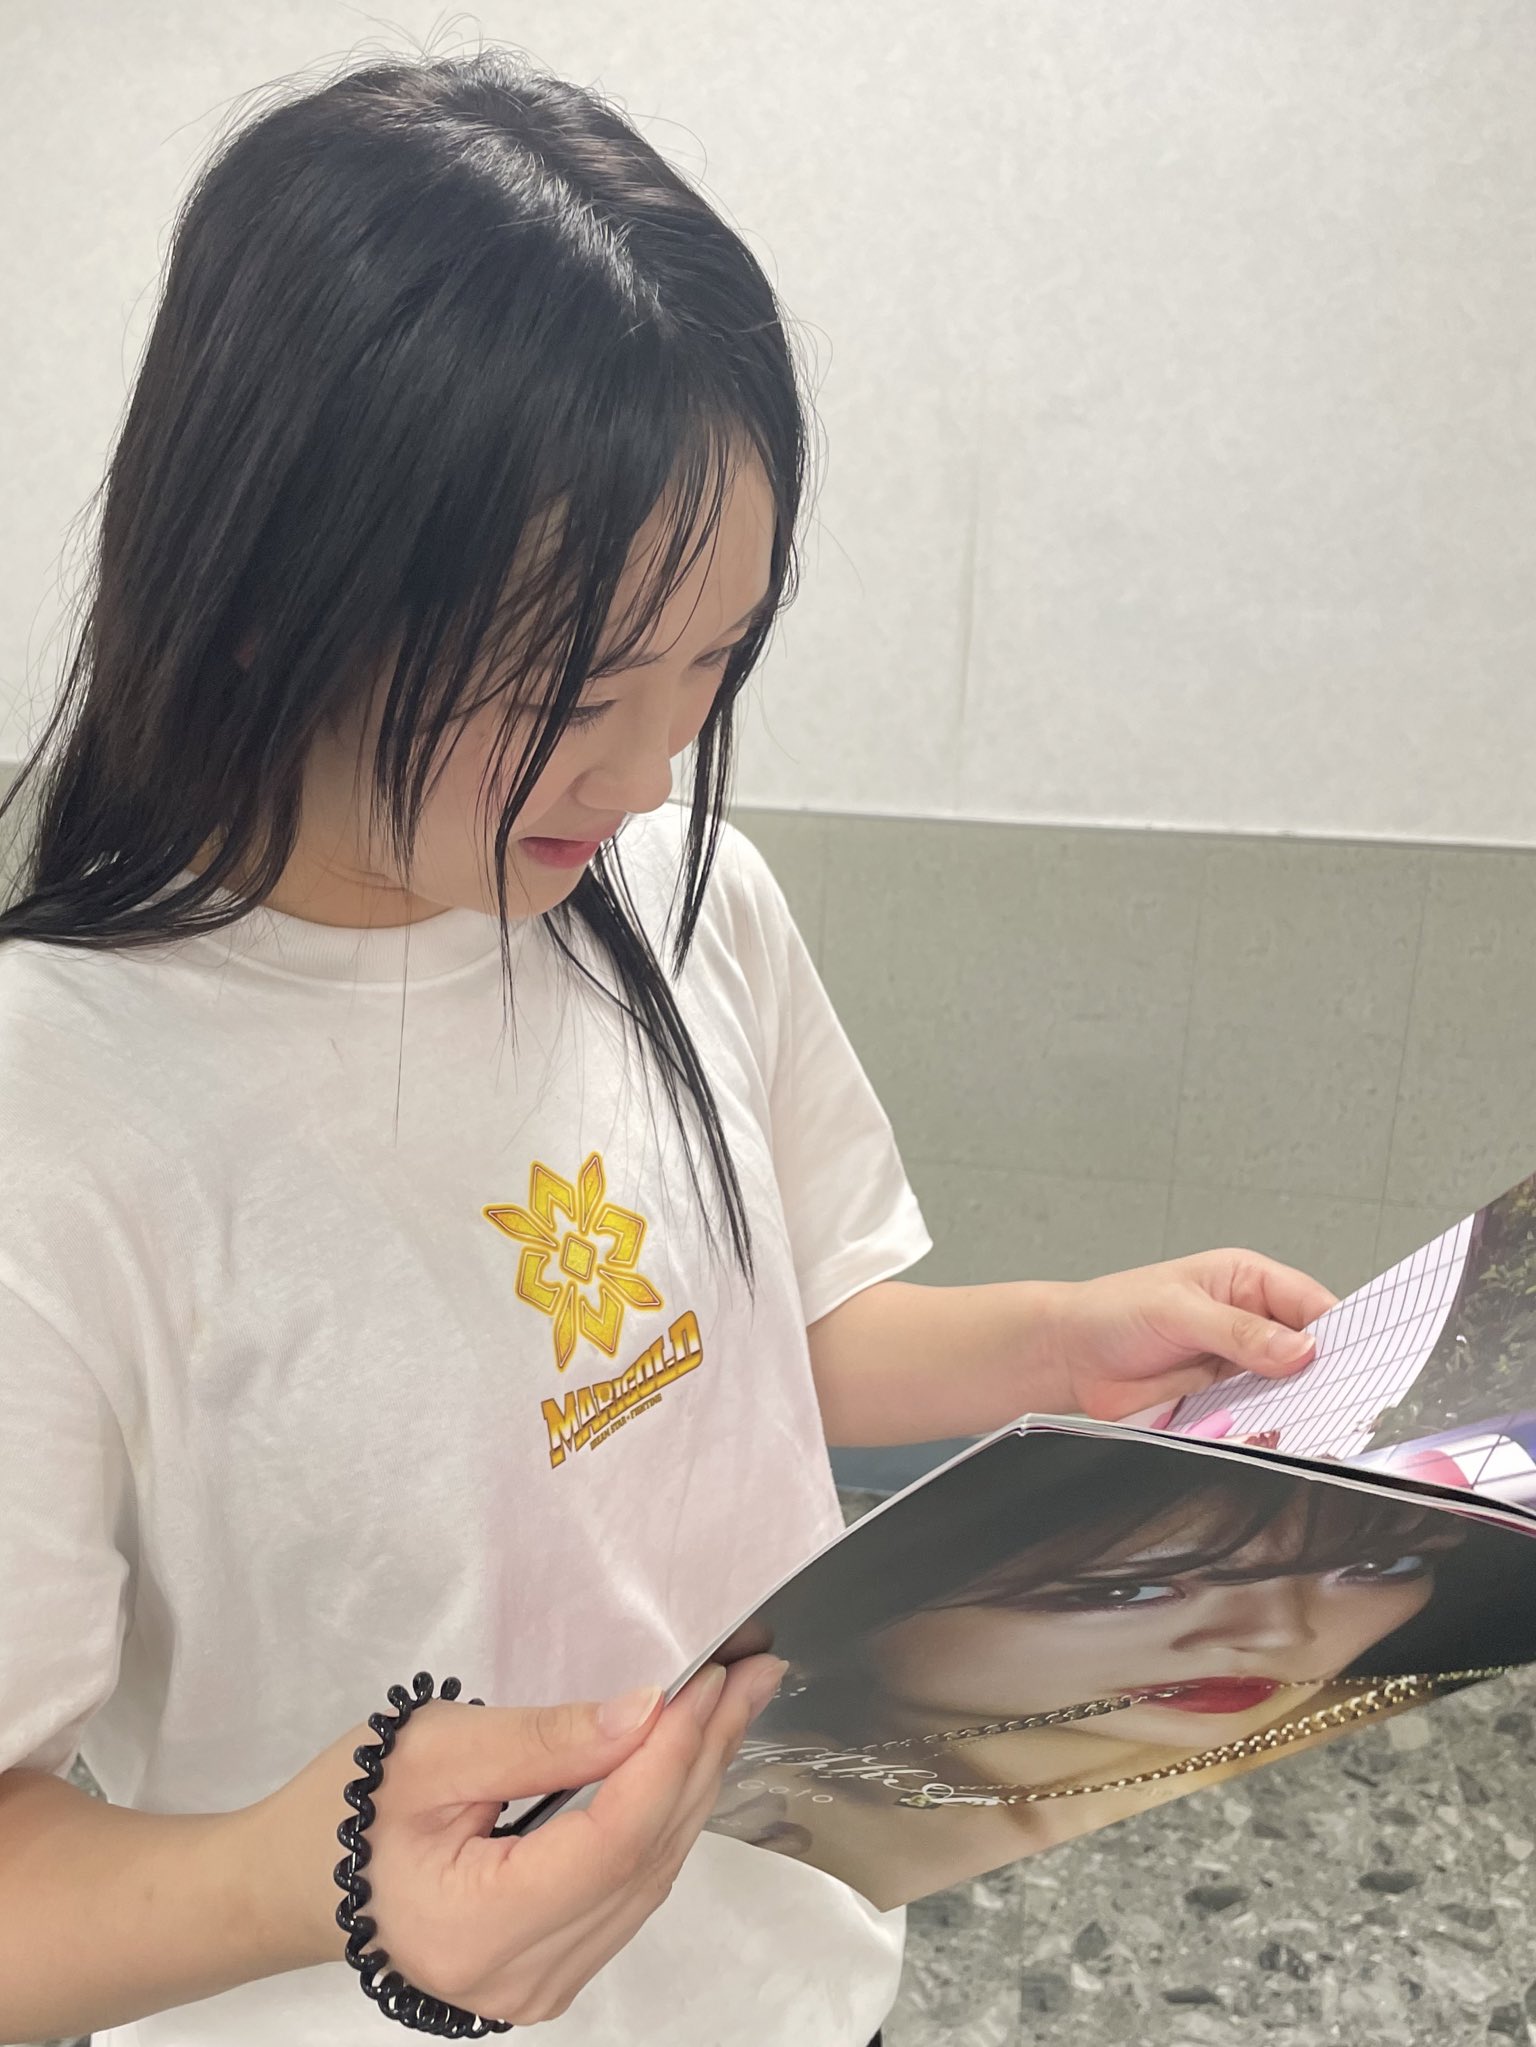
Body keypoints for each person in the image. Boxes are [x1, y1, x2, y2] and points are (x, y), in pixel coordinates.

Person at [0, 49, 1337, 2047]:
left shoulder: (683, 904)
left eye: (711, 667)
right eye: (573, 692)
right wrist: (334, 1878)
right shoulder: (56, 1109)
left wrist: (1062, 1347)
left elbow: (759, 1346)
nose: (644, 775)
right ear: (275, 600)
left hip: (787, 1979)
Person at [709, 1435, 1536, 1908]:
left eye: (1382, 1565)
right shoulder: (750, 1827)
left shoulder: (1389, 1741)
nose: (1280, 1633)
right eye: (1123, 1588)